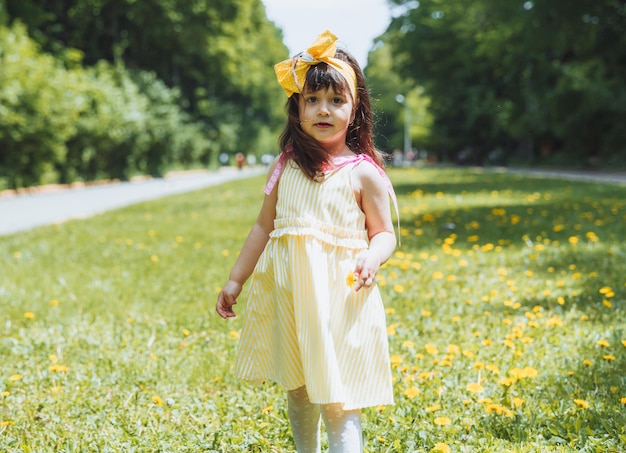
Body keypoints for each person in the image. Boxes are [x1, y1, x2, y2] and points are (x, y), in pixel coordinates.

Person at [216, 30, 398, 453]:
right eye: (312, 99)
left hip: (341, 301)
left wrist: (373, 257)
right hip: (294, 300)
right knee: (298, 389)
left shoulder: (362, 172)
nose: (323, 109)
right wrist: (234, 281)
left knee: (338, 398)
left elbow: (384, 233)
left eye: (336, 100)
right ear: (296, 107)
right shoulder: (285, 167)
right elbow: (262, 228)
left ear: (355, 111)